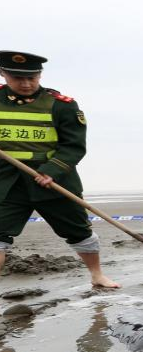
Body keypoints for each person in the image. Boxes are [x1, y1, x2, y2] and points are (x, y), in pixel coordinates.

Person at [0, 51, 119, 288]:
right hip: (6, 183)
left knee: (79, 232)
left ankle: (97, 275)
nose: (26, 83)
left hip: (54, 181)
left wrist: (51, 170)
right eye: (17, 78)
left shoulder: (61, 105)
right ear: (4, 74)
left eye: (32, 77)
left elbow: (74, 146)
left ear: (40, 74)